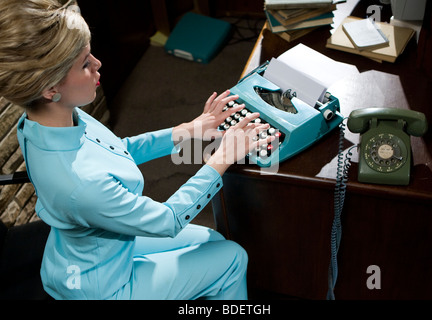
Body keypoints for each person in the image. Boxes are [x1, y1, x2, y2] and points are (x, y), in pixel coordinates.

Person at [0, 0, 274, 299]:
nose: (97, 64)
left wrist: (187, 130)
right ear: (49, 88)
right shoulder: (80, 183)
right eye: (84, 63)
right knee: (232, 258)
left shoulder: (45, 120)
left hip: (86, 254)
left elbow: (117, 149)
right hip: (103, 288)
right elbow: (168, 220)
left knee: (211, 238)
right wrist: (222, 158)